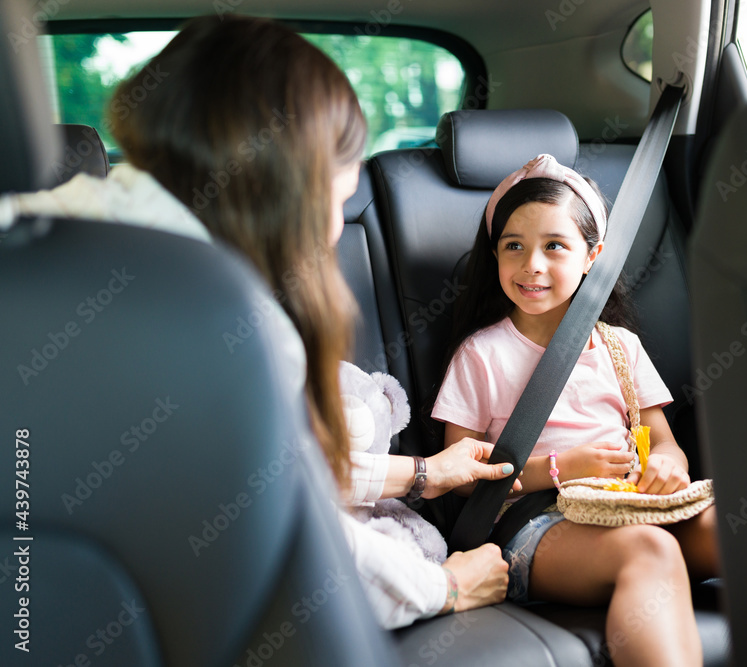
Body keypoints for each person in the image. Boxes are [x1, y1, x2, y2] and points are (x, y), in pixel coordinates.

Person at [1, 14, 510, 630]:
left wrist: (421, 477)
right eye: (335, 197)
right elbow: (306, 554)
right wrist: (447, 585)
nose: (332, 231)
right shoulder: (224, 319)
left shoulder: (43, 232)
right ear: (289, 184)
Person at [431, 154, 718, 666]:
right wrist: (561, 469)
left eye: (554, 247)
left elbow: (663, 439)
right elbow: (458, 475)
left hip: (628, 504)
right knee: (650, 551)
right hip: (532, 526)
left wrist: (669, 465)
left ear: (593, 256)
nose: (531, 265)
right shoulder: (482, 355)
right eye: (513, 246)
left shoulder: (620, 347)